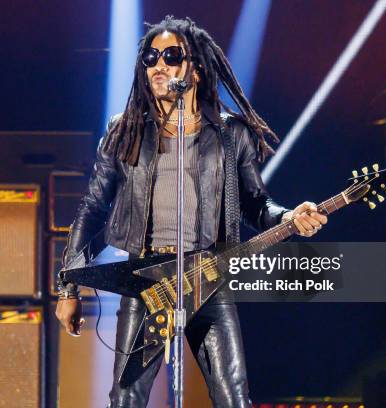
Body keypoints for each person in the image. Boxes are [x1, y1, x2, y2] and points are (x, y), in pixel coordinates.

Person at [55, 16, 327, 408]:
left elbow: (254, 202)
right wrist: (68, 288)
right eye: (150, 58)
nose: (158, 66)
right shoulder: (125, 131)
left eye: (170, 56)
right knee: (126, 399)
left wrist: (287, 217)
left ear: (196, 69)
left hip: (207, 278)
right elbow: (92, 209)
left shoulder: (231, 134)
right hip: (145, 281)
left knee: (234, 397)